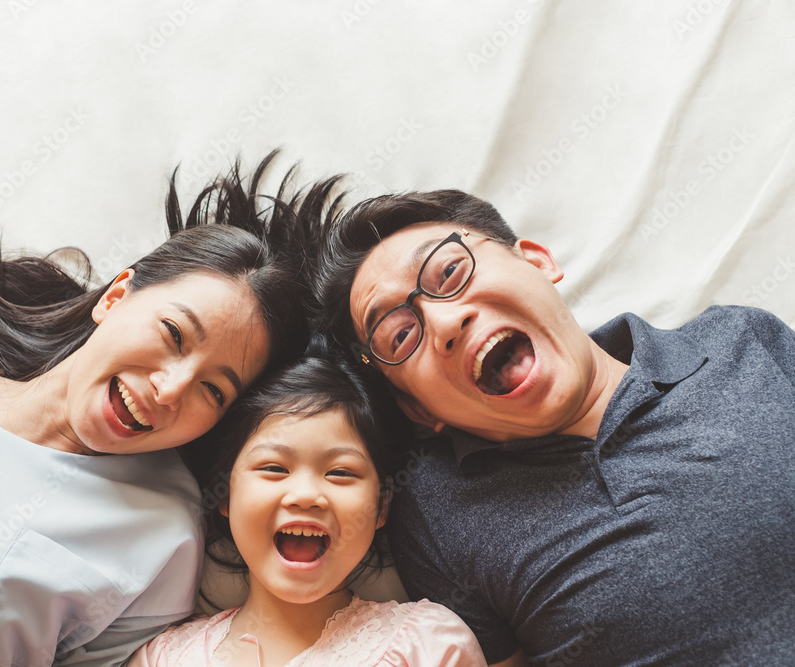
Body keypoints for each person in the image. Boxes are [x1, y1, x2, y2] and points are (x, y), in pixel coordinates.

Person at [0, 156, 331, 666]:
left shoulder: (159, 539)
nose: (170, 390)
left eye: (214, 391)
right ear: (116, 296)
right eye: (173, 335)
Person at [314, 190, 795, 665]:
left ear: (537, 261)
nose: (446, 322)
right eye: (399, 334)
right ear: (417, 409)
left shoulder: (741, 339)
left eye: (451, 272)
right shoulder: (435, 515)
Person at [128, 353, 488, 667]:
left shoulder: (429, 646)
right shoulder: (161, 658)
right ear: (224, 494)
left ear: (381, 506)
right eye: (274, 468)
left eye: (341, 472)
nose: (305, 495)